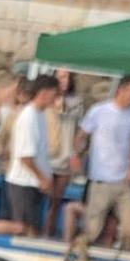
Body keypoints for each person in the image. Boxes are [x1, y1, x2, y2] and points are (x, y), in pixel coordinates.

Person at [77, 73, 130, 246]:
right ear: (122, 90)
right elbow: (82, 135)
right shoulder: (99, 111)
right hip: (101, 179)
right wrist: (75, 156)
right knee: (92, 229)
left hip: (124, 181)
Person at [5, 72, 58, 235]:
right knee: (24, 230)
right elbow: (25, 157)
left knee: (33, 229)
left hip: (33, 183)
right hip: (23, 183)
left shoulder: (40, 114)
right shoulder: (29, 117)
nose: (56, 99)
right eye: (54, 95)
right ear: (43, 94)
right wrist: (42, 178)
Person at [45, 68, 84, 237]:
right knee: (42, 199)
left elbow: (80, 132)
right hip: (45, 157)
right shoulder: (44, 100)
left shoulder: (77, 102)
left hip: (65, 158)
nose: (63, 80)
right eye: (59, 76)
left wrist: (77, 153)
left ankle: (49, 232)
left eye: (66, 76)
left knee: (56, 201)